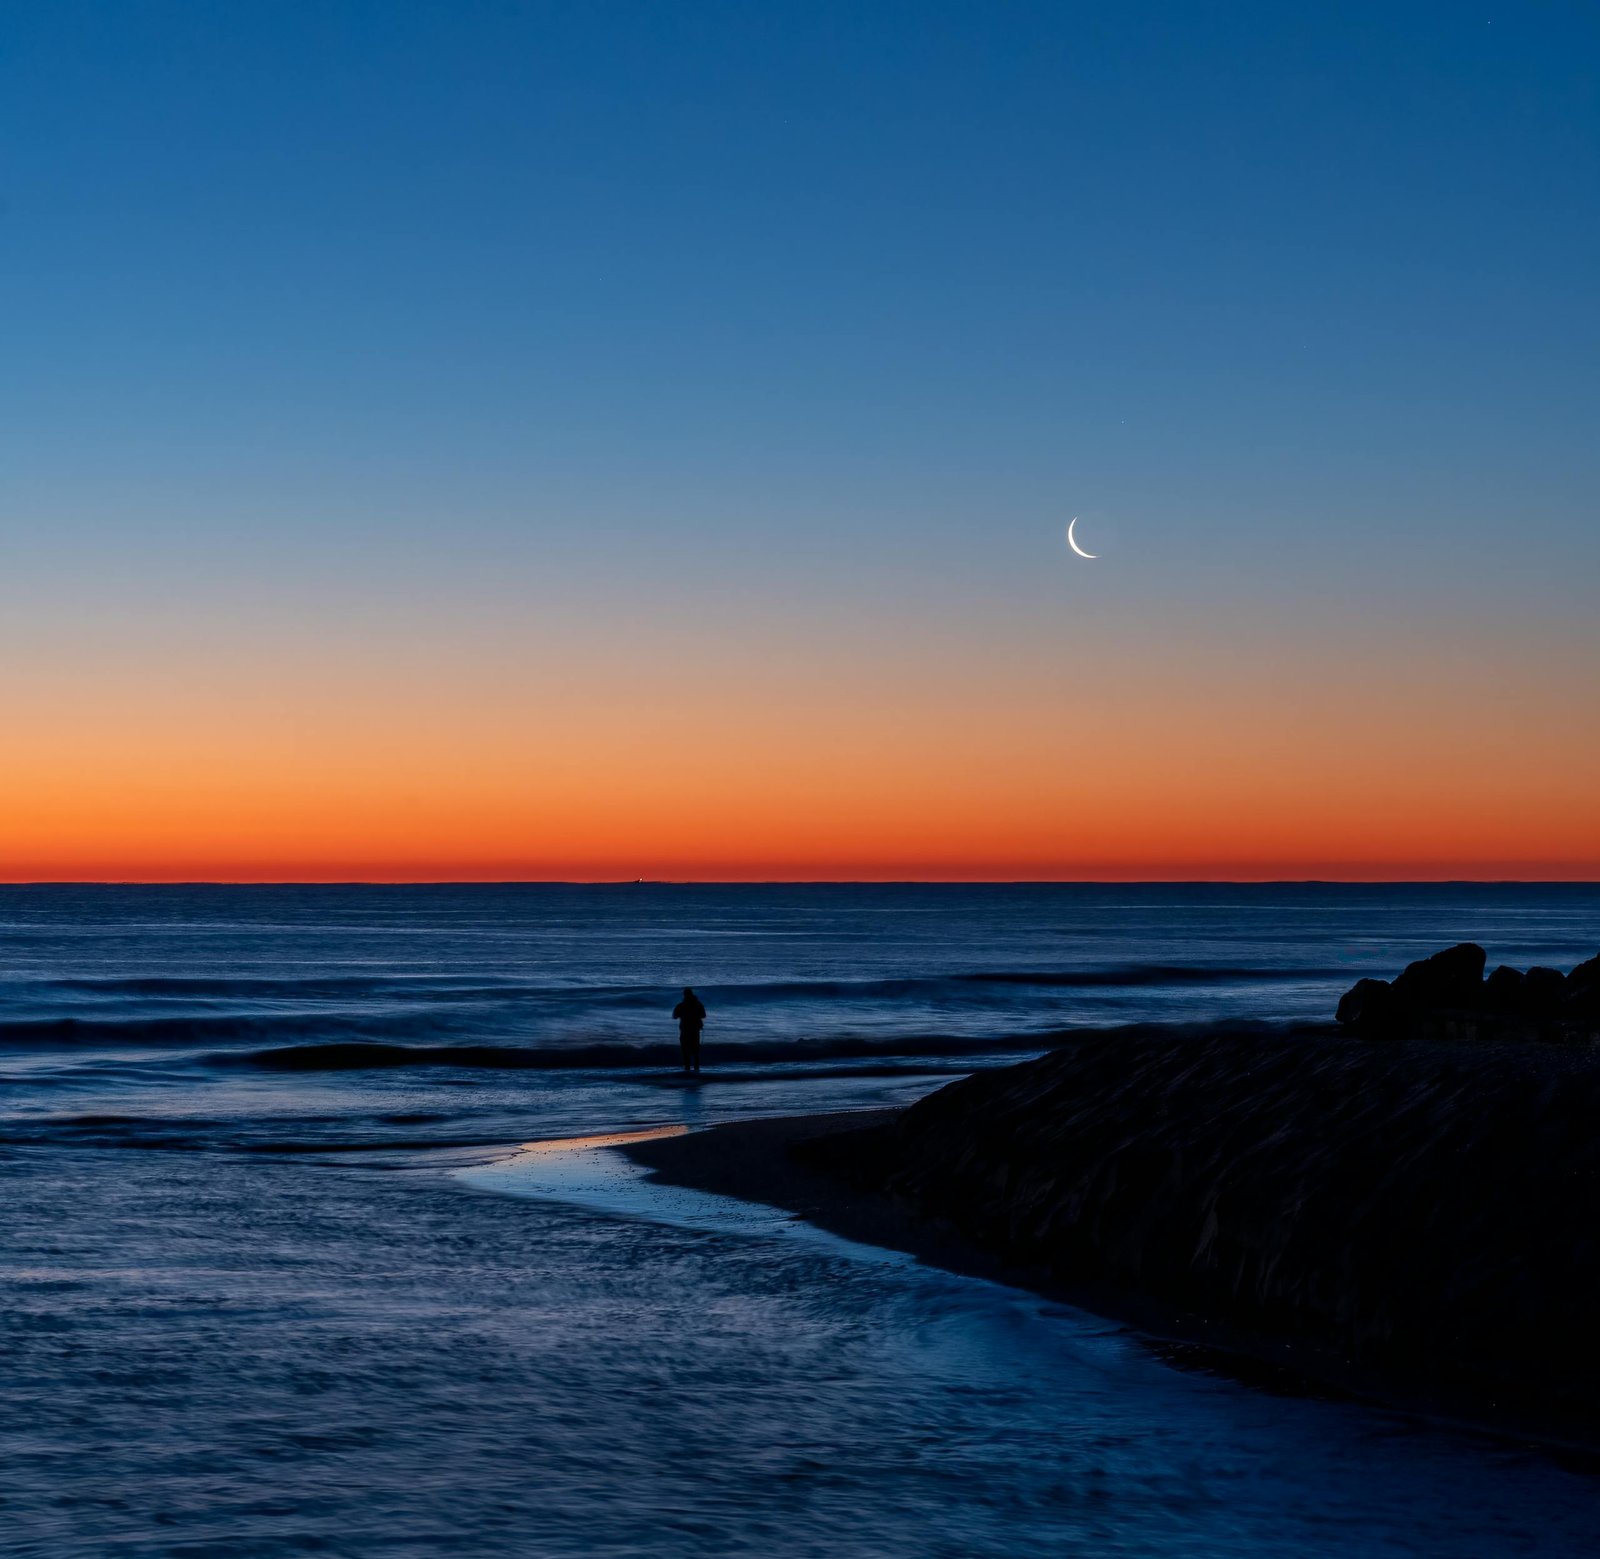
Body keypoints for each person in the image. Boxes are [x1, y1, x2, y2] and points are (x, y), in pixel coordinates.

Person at [672, 986, 706, 1074]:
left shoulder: (681, 1005)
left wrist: (683, 1015)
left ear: (684, 994)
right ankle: (696, 1071)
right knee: (696, 1052)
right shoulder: (698, 1004)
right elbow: (703, 1015)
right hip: (695, 1030)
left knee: (685, 1051)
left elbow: (674, 1016)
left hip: (685, 1030)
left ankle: (687, 1071)